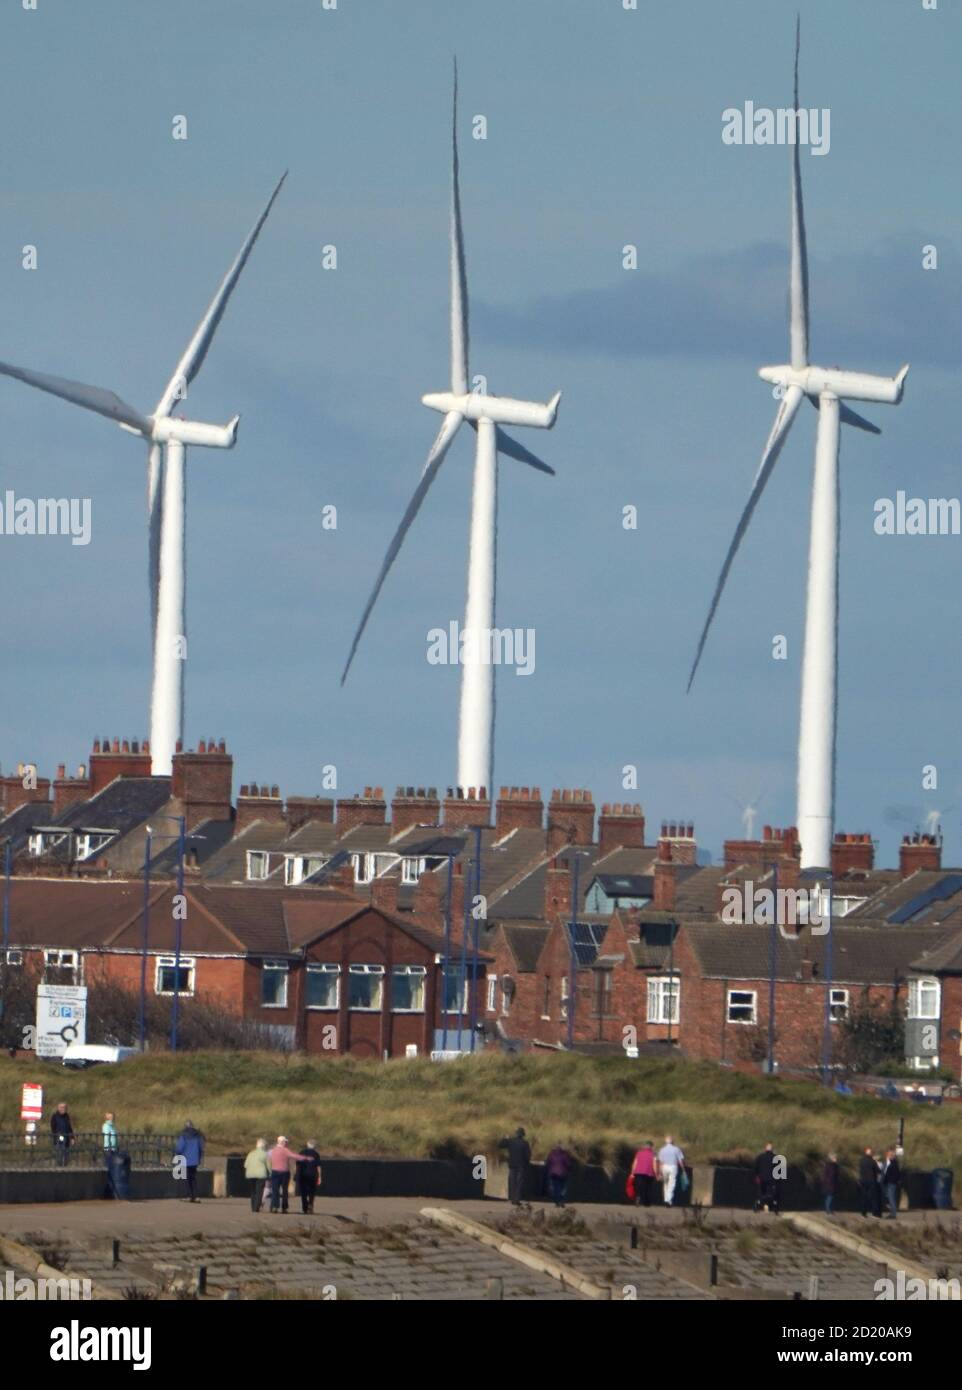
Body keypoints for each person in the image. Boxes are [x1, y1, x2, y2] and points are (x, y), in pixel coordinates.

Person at [497, 1127, 532, 1206]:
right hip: (521, 1165)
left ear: (516, 1134)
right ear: (523, 1135)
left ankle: (512, 1198)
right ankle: (517, 1199)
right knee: (519, 1183)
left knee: (512, 1182)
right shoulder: (525, 1143)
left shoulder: (511, 1141)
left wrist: (505, 1138)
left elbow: (499, 1145)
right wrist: (527, 1164)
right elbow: (528, 1155)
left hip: (512, 1164)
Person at [175, 1120, 205, 1203]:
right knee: (193, 1178)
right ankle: (196, 1196)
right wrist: (199, 1157)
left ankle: (189, 1196)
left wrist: (177, 1153)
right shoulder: (198, 1135)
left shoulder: (184, 1135)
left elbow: (179, 1148)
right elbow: (201, 1147)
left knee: (187, 1178)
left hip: (185, 1160)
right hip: (195, 1160)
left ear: (186, 1126)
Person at [268, 1135, 299, 1213]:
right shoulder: (286, 1150)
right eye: (285, 1142)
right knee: (284, 1190)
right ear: (282, 1142)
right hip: (284, 1172)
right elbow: (291, 1161)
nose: (286, 1143)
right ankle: (284, 1208)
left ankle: (275, 1206)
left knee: (275, 1190)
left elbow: (269, 1161)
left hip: (275, 1171)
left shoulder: (272, 1151)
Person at [244, 1138, 271, 1213]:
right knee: (259, 1191)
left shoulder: (251, 1153)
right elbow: (269, 1166)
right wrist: (271, 1173)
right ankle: (256, 1207)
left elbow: (245, 1165)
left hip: (250, 1174)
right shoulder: (265, 1154)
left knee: (253, 1191)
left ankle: (253, 1207)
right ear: (264, 1146)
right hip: (261, 1175)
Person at [657, 1134, 685, 1207]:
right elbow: (680, 1161)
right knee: (672, 1183)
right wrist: (683, 1169)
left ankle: (668, 1200)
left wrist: (659, 1172)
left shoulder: (662, 1149)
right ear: (672, 1141)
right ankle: (668, 1200)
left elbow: (660, 1162)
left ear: (665, 1142)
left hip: (664, 1167)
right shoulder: (676, 1149)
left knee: (665, 1183)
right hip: (673, 1166)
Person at [296, 1140, 322, 1214]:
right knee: (312, 1192)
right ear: (314, 1146)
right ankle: (310, 1205)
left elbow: (297, 1165)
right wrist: (320, 1177)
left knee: (303, 1192)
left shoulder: (301, 1152)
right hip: (313, 1175)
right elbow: (318, 1166)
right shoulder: (316, 1154)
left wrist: (297, 1174)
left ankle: (305, 1207)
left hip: (303, 1175)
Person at [754, 1141, 780, 1214]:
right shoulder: (776, 1158)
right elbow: (779, 1170)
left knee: (761, 1194)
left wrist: (757, 1176)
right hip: (772, 1179)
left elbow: (755, 1168)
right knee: (773, 1194)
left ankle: (757, 1205)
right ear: (772, 1150)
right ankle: (775, 1207)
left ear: (765, 1149)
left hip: (762, 1178)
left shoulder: (760, 1157)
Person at [544, 1143, 572, 1208]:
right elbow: (569, 1164)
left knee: (555, 1188)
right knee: (563, 1188)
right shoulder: (564, 1155)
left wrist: (549, 1170)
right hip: (563, 1174)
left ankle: (557, 1202)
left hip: (553, 1174)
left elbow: (547, 1163)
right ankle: (562, 1201)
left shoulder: (551, 1155)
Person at [631, 1141, 659, 1207]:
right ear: (651, 1147)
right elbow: (654, 1164)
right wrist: (656, 1174)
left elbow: (635, 1162)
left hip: (638, 1172)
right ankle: (647, 1203)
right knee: (648, 1188)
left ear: (644, 1146)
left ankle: (638, 1197)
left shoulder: (639, 1153)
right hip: (649, 1173)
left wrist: (632, 1172)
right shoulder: (653, 1154)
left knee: (638, 1186)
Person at [858, 1147, 881, 1217]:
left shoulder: (861, 1160)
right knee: (873, 1197)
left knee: (864, 1197)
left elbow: (860, 1170)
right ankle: (875, 1213)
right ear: (870, 1153)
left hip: (863, 1180)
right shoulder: (872, 1161)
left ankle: (863, 1213)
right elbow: (878, 1171)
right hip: (871, 1181)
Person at [51, 1102, 74, 1167]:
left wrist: (72, 1137)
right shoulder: (55, 1116)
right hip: (58, 1139)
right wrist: (58, 1135)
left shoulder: (67, 1116)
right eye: (61, 1107)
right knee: (59, 1154)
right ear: (58, 1108)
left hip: (66, 1139)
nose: (63, 1109)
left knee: (66, 1155)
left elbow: (69, 1127)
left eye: (64, 1107)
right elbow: (53, 1128)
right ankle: (59, 1168)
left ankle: (65, 1167)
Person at [881, 1147, 901, 1219]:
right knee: (890, 1198)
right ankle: (892, 1213)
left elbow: (895, 1174)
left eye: (890, 1154)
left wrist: (892, 1181)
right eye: (888, 1154)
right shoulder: (891, 1162)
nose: (889, 1155)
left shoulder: (894, 1163)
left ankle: (893, 1214)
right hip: (889, 1183)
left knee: (891, 1198)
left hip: (891, 1183)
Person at [821, 1151, 839, 1215]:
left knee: (831, 1197)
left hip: (832, 1183)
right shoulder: (829, 1165)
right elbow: (828, 1175)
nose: (836, 1159)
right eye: (835, 1158)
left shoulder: (835, 1165)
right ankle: (828, 1209)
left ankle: (829, 1209)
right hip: (829, 1184)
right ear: (832, 1158)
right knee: (829, 1197)